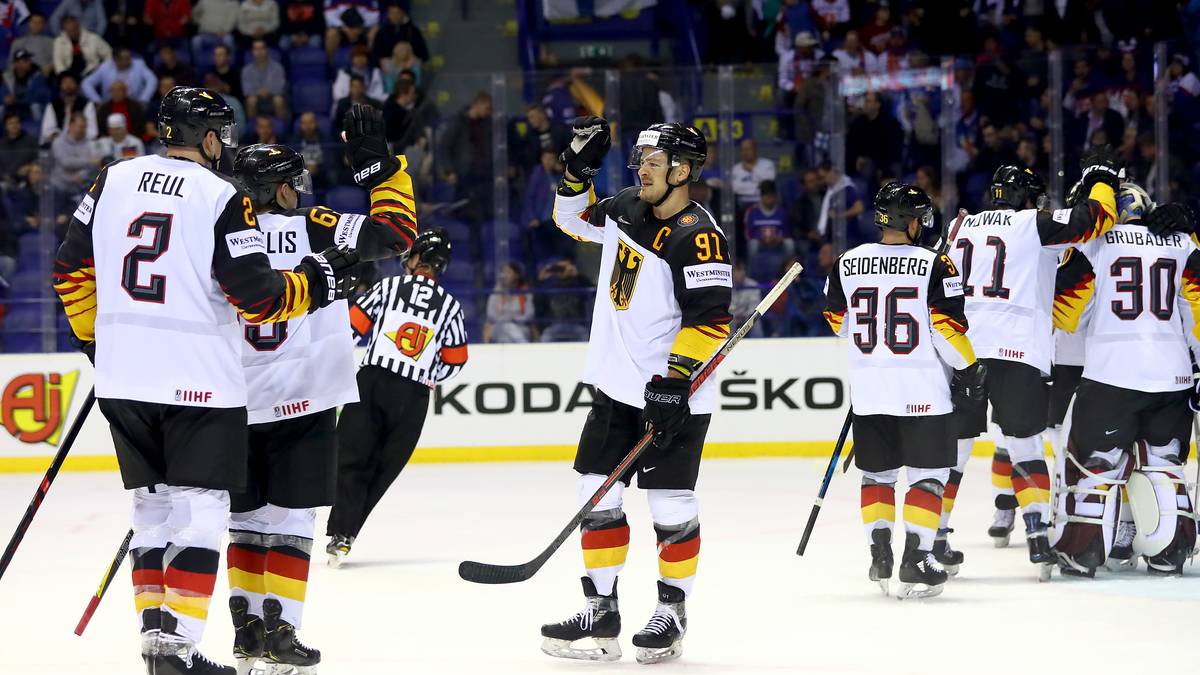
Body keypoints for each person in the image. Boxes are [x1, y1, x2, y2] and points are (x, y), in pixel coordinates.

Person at [53, 85, 358, 675]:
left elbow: (70, 266)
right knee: (200, 514)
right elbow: (259, 299)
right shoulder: (222, 196)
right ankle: (180, 651)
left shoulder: (109, 180)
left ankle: (154, 646)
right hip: (198, 382)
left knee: (151, 512)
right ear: (211, 138)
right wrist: (318, 284)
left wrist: (98, 340)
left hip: (124, 379)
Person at [226, 107, 417, 674]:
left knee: (245, 521)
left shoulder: (220, 232)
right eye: (295, 184)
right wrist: (383, 172)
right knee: (290, 520)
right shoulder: (315, 225)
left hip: (233, 402)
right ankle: (281, 632)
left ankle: (246, 631)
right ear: (282, 189)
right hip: (303, 396)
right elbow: (396, 236)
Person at [541, 118, 730, 665]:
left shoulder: (700, 235)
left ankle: (672, 610)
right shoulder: (625, 207)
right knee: (595, 496)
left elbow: (711, 320)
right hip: (614, 388)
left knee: (671, 504)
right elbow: (570, 218)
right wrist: (577, 170)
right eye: (640, 159)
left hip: (673, 396)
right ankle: (600, 612)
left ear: (683, 170)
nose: (642, 168)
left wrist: (674, 383)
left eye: (654, 161)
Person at [946, 149, 1120, 579]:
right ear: (1027, 199)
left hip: (964, 351)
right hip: (1016, 351)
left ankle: (936, 535)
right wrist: (1101, 178)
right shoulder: (1034, 224)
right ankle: (1039, 536)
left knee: (954, 450)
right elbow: (1096, 217)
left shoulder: (958, 224)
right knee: (1025, 444)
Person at [823, 182, 984, 600]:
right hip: (922, 391)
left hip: (870, 391)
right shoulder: (936, 265)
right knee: (928, 475)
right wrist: (970, 369)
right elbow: (947, 330)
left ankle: (880, 554)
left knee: (878, 474)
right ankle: (916, 558)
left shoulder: (846, 261)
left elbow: (837, 322)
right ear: (911, 222)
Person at [1052, 184, 1199, 577]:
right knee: (1164, 464)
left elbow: (1065, 314)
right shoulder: (1181, 241)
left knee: (1095, 467)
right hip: (1172, 376)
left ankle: (1083, 550)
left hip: (1111, 374)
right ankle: (1170, 549)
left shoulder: (1096, 242)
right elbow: (1196, 311)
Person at [326, 228, 468, 565]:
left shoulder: (389, 287)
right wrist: (427, 378)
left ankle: (340, 533)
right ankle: (348, 535)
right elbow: (456, 359)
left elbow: (352, 329)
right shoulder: (451, 306)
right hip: (414, 396)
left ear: (420, 259)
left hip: (372, 382)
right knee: (384, 468)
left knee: (350, 459)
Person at [81, 46, 157, 103]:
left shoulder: (138, 64)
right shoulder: (105, 67)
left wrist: (144, 99)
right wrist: (97, 100)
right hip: (110, 105)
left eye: (130, 57)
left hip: (134, 104)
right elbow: (86, 83)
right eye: (126, 58)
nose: (130, 60)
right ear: (116, 60)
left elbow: (152, 80)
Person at [484, 261, 536, 343]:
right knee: (506, 326)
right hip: (499, 327)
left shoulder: (524, 292)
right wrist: (506, 319)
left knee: (507, 336)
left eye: (508, 272)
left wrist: (514, 319)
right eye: (503, 272)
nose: (504, 275)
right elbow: (491, 314)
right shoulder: (497, 291)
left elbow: (529, 314)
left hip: (520, 327)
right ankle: (524, 346)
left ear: (517, 275)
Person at [50, 112, 100, 194]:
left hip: (81, 187)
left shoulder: (89, 143)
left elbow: (95, 164)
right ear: (71, 126)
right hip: (60, 187)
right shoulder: (58, 142)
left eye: (85, 127)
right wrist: (89, 162)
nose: (83, 130)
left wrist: (82, 175)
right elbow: (66, 162)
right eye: (80, 127)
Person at [240, 39, 288, 118]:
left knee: (279, 100)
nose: (259, 52)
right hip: (256, 98)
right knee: (251, 101)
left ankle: (282, 126)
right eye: (256, 49)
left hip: (273, 97)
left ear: (267, 50)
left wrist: (268, 91)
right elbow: (246, 90)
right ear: (252, 51)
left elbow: (280, 87)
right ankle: (252, 127)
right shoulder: (246, 70)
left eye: (262, 48)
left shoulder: (278, 68)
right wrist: (258, 92)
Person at [1, 49, 52, 123]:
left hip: (29, 108)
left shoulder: (38, 75)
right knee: (1, 107)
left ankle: (39, 131)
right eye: (25, 60)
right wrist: (4, 99)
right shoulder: (8, 76)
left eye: (29, 59)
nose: (29, 62)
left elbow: (40, 96)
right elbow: (2, 92)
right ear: (16, 64)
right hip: (13, 109)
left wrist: (17, 100)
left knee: (35, 106)